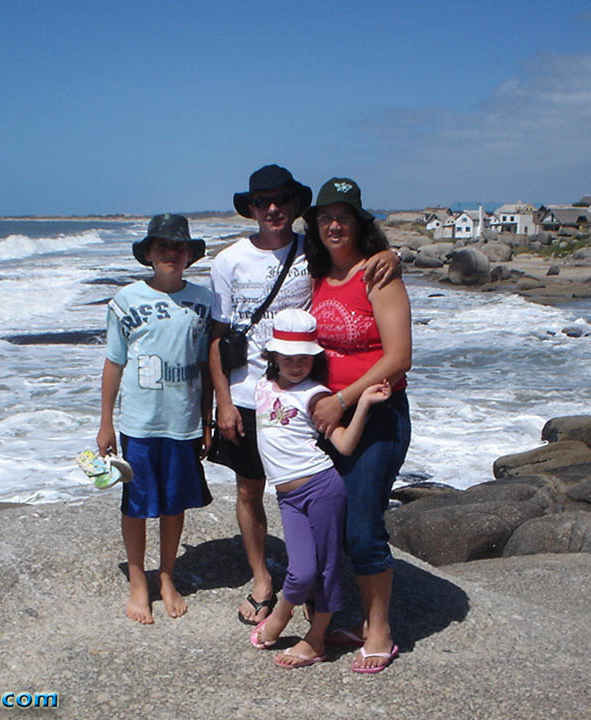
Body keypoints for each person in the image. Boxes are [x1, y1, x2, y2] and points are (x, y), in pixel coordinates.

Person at [208, 164, 402, 625]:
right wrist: (223, 402)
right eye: (262, 202)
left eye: (281, 200)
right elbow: (215, 335)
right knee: (251, 488)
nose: (272, 209)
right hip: (251, 395)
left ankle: (320, 594)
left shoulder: (308, 253)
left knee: (318, 493)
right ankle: (263, 580)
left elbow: (354, 261)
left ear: (296, 207)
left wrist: (393, 255)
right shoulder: (228, 260)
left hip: (311, 396)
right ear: (251, 208)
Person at [305, 177, 412, 674]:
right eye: (326, 216)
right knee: (335, 521)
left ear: (358, 222)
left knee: (364, 525)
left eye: (343, 216)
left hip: (377, 418)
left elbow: (399, 356)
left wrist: (343, 398)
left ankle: (381, 630)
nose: (333, 224)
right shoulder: (318, 274)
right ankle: (359, 621)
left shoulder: (380, 276)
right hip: (328, 419)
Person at [246, 309, 391, 668]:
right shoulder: (262, 387)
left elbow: (342, 445)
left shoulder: (315, 394)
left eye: (304, 359)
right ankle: (295, 623)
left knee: (321, 570)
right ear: (273, 358)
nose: (296, 365)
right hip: (287, 497)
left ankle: (308, 635)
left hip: (321, 489)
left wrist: (364, 405)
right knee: (301, 570)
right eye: (288, 358)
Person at [97, 213, 214, 625]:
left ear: (189, 255)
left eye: (179, 247)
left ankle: (166, 575)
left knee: (174, 502)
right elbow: (114, 362)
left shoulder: (204, 300)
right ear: (148, 254)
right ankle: (137, 582)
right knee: (136, 504)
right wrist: (106, 422)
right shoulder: (125, 301)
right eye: (162, 246)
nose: (171, 253)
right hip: (139, 424)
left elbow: (205, 364)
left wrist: (207, 419)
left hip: (183, 422)